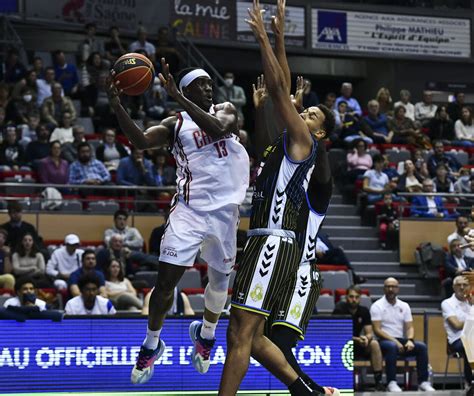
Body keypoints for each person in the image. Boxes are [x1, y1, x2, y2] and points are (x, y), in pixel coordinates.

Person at [107, 52, 249, 385]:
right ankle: (151, 344)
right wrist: (117, 104)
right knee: (165, 285)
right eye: (201, 84)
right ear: (187, 88)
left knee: (218, 284)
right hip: (189, 211)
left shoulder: (227, 111)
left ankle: (206, 335)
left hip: (225, 214)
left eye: (210, 84)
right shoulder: (176, 125)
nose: (209, 89)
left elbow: (216, 129)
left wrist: (179, 96)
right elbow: (141, 142)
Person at [220, 2, 336, 395]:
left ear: (318, 134)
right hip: (262, 240)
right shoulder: (284, 147)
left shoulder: (305, 144)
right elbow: (275, 106)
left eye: (314, 116)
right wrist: (280, 39)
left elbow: (278, 90)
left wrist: (266, 39)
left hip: (274, 242)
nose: (306, 115)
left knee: (239, 333)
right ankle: (307, 391)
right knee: (248, 338)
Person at [370, 277, 435, 392]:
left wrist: (410, 339)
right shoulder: (377, 306)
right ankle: (391, 382)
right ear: (384, 289)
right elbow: (377, 330)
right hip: (383, 341)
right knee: (391, 346)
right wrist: (395, 342)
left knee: (421, 347)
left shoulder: (404, 306)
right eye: (388, 287)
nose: (390, 289)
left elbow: (409, 327)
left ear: (398, 289)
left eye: (393, 287)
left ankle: (423, 382)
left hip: (400, 340)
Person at [333, 285, 384, 390]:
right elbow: (338, 333)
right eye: (351, 297)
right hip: (342, 345)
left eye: (356, 297)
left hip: (357, 344)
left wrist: (366, 338)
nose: (354, 300)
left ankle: (378, 382)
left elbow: (369, 332)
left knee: (374, 343)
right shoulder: (339, 309)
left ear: (360, 298)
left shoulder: (364, 311)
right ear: (346, 297)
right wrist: (357, 339)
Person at [441, 275, 473, 387]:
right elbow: (457, 325)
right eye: (459, 285)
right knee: (470, 343)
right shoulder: (447, 303)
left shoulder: (472, 302)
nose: (462, 287)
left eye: (465, 285)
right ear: (453, 287)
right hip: (456, 340)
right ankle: (470, 382)